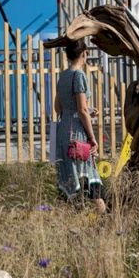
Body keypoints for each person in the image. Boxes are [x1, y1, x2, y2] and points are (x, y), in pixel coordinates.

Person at [54, 39, 106, 213]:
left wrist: (85, 111)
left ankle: (75, 220)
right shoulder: (79, 75)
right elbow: (82, 110)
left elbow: (58, 108)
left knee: (71, 183)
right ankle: (105, 223)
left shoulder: (63, 76)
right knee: (92, 184)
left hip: (63, 133)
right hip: (77, 135)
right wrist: (92, 138)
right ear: (84, 54)